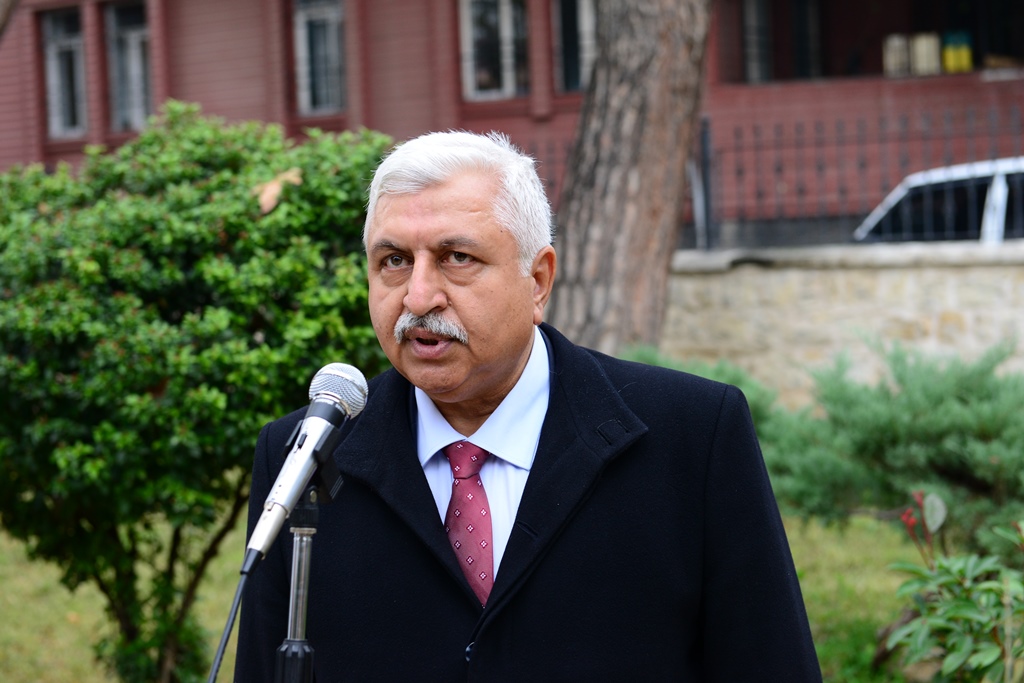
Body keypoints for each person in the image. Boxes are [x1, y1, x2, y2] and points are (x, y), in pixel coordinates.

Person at [235, 131, 822, 681]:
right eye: (393, 261)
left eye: (456, 257)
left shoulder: (691, 436)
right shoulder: (305, 457)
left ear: (538, 280)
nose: (418, 296)